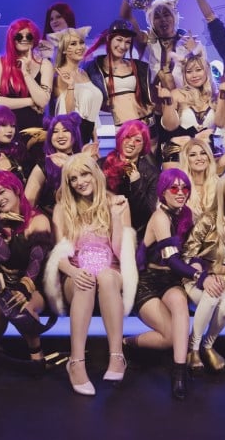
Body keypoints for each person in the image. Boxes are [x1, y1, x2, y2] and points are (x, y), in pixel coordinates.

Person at [47, 154, 136, 395]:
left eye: (84, 174)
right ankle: (76, 362)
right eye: (73, 178)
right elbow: (60, 256)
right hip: (76, 274)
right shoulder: (62, 209)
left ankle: (117, 356)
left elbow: (121, 252)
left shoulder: (117, 202)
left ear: (95, 174)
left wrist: (115, 216)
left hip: (111, 272)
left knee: (106, 276)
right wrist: (74, 272)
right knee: (85, 281)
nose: (80, 182)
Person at [132, 169, 205, 400]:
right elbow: (172, 260)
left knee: (180, 304)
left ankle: (179, 373)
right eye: (174, 188)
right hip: (148, 282)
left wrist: (197, 262)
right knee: (172, 338)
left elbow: (193, 249)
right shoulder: (160, 217)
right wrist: (199, 276)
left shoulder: (186, 214)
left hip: (171, 281)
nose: (180, 192)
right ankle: (128, 342)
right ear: (163, 192)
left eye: (184, 188)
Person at [0, 171, 54, 378]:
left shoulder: (38, 220)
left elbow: (37, 260)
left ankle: (36, 352)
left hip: (35, 284)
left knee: (22, 307)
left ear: (16, 189)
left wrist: (24, 287)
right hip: (4, 284)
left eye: (2, 192)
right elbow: (3, 256)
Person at [183, 170, 225, 373]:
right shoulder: (208, 220)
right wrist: (203, 277)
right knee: (213, 295)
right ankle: (193, 349)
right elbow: (187, 254)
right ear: (223, 193)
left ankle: (208, 346)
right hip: (198, 280)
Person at [0, 18, 52, 152]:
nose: (24, 39)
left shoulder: (45, 64)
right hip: (5, 133)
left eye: (28, 36)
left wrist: (25, 73)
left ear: (34, 38)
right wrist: (30, 101)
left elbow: (43, 101)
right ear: (12, 38)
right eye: (19, 36)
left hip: (34, 133)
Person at [84, 19, 154, 129]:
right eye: (119, 40)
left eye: (128, 42)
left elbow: (148, 97)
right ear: (109, 39)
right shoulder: (93, 69)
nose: (123, 46)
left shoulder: (140, 67)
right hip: (122, 127)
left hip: (146, 123)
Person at [25, 112, 96, 216]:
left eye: (66, 130)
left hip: (85, 217)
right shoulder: (43, 166)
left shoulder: (85, 160)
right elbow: (28, 203)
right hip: (52, 219)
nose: (60, 136)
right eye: (55, 132)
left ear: (75, 134)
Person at [158, 46, 217, 165]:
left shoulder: (215, 97)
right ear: (184, 75)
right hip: (180, 154)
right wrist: (168, 102)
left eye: (198, 70)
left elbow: (223, 124)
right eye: (189, 72)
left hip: (206, 154)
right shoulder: (176, 94)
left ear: (206, 71)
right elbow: (170, 127)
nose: (194, 75)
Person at [101, 120, 160, 238]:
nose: (131, 143)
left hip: (136, 232)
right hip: (105, 227)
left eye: (137, 140)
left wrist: (136, 182)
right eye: (127, 137)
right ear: (120, 138)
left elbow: (146, 214)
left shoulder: (152, 173)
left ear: (144, 145)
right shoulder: (102, 164)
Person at [48, 26, 101, 144]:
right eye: (73, 44)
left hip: (87, 135)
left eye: (81, 42)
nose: (80, 47)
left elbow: (92, 112)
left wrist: (95, 139)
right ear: (64, 49)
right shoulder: (60, 75)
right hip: (71, 135)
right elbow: (67, 114)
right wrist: (71, 86)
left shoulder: (83, 73)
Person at [177, 138, 220, 225]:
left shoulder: (219, 184)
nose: (199, 158)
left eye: (203, 153)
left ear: (209, 157)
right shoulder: (178, 186)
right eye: (193, 155)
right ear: (186, 159)